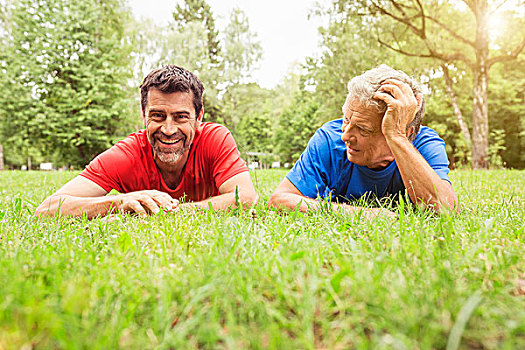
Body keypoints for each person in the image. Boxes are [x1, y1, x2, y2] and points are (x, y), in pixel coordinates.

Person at [35, 65, 257, 218]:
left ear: (198, 117)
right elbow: (47, 210)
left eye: (180, 117)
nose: (168, 130)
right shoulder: (126, 155)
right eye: (158, 116)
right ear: (144, 115)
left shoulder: (215, 139)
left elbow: (245, 198)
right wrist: (120, 203)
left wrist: (170, 212)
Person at [268, 65, 458, 217]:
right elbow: (279, 200)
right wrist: (364, 214)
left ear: (406, 132)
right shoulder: (329, 139)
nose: (345, 136)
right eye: (346, 120)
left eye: (363, 129)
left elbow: (446, 209)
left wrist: (397, 138)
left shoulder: (425, 143)